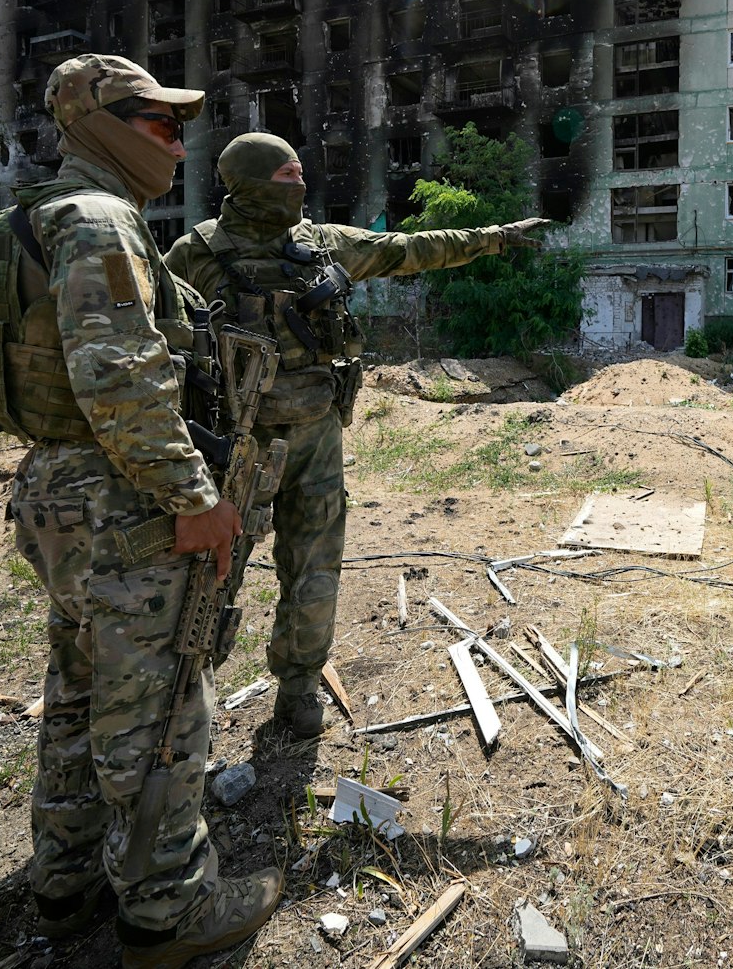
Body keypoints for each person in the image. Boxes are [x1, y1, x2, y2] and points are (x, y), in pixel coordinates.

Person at [0, 55, 282, 969]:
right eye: (161, 125)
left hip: (57, 486)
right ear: (99, 124)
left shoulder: (21, 221)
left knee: (80, 686)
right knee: (161, 708)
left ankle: (64, 882)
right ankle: (165, 911)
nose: (178, 143)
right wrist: (196, 498)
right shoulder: (100, 220)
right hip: (123, 494)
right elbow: (121, 377)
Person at [164, 132, 551, 739]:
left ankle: (277, 693)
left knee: (300, 569)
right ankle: (210, 697)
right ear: (254, 183)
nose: (298, 187)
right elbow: (158, 340)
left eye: (298, 177)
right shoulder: (207, 253)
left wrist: (491, 239)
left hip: (304, 434)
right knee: (228, 571)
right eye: (287, 178)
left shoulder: (299, 244)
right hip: (236, 442)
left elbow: (409, 248)